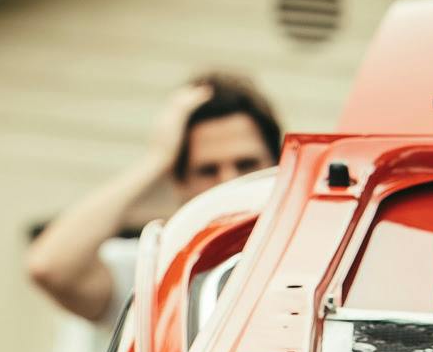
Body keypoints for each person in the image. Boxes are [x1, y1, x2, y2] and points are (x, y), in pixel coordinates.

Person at [26, 73, 283, 328]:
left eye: (246, 164)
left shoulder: (307, 259)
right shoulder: (154, 272)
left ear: (278, 167)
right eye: (207, 170)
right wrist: (158, 158)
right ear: (180, 182)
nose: (228, 182)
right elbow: (50, 266)